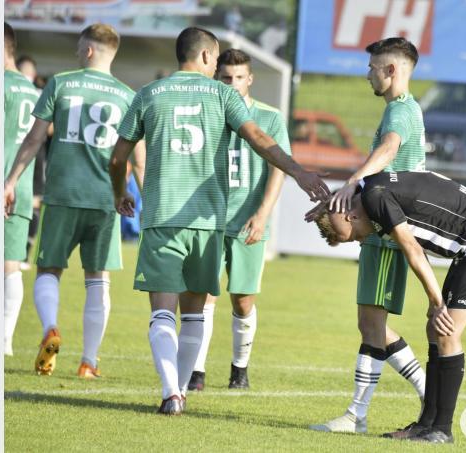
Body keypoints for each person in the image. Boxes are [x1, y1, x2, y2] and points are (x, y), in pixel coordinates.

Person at [109, 26, 329, 415]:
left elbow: (118, 158)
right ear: (209, 57)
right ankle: (180, 391)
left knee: (162, 310)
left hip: (162, 218)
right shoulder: (223, 95)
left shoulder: (147, 94)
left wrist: (119, 193)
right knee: (195, 311)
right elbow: (258, 137)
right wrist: (298, 172)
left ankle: (171, 393)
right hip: (210, 222)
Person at [312, 170, 466, 443]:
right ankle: (425, 426)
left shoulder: (375, 198)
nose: (360, 240)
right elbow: (415, 243)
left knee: (447, 332)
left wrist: (437, 301)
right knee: (436, 330)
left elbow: (412, 249)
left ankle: (441, 430)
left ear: (351, 215)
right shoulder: (370, 189)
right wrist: (436, 303)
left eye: (352, 235)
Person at [307, 37, 428, 434]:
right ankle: (430, 393)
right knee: (371, 325)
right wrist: (333, 204)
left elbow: (390, 150)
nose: (367, 74)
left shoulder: (400, 113)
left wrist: (353, 178)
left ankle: (356, 416)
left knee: (372, 326)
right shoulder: (403, 109)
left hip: (386, 230)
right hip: (385, 227)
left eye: (373, 67)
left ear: (391, 70)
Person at [4, 23, 137, 379]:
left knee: (49, 270)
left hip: (62, 195)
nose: (77, 53)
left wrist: (11, 180)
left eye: (80, 48)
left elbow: (33, 141)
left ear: (89, 50)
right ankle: (89, 362)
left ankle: (50, 327)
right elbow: (134, 156)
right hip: (104, 200)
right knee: (98, 279)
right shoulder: (127, 95)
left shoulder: (60, 83)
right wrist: (127, 193)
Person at [187, 49, 290, 392]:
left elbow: (279, 169)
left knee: (243, 300)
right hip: (210, 221)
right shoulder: (206, 114)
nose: (232, 85)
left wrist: (262, 214)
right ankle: (196, 371)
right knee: (203, 296)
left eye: (238, 78)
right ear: (217, 79)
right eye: (225, 78)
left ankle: (239, 370)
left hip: (249, 223)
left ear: (250, 79)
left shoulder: (269, 117)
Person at [3, 22, 40, 357]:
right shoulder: (32, 90)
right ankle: (5, 340)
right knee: (11, 264)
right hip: (22, 186)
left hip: (2, 181)